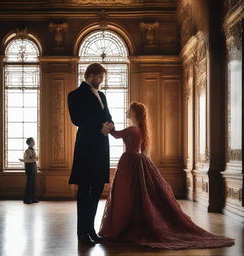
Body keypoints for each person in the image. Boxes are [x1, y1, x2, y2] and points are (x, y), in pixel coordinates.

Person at [99, 102, 235, 249]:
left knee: (129, 193)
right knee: (138, 194)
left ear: (134, 113)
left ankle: (129, 224)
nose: (126, 111)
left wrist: (108, 127)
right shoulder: (140, 129)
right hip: (137, 161)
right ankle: (133, 222)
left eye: (129, 110)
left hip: (130, 162)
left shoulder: (132, 129)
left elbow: (116, 134)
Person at [68, 63, 113, 245]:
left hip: (102, 146)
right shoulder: (74, 95)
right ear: (91, 75)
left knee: (97, 189)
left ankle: (91, 230)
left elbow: (108, 116)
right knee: (84, 191)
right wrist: (99, 125)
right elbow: (76, 119)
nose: (101, 81)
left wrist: (110, 124)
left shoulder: (102, 95)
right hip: (86, 147)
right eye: (100, 77)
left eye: (102, 77)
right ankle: (81, 233)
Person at [19, 137, 39, 204]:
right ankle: (27, 199)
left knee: (33, 183)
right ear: (30, 142)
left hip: (33, 166)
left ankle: (32, 198)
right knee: (29, 183)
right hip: (29, 166)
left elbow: (32, 158)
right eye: (33, 141)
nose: (34, 142)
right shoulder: (27, 151)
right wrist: (35, 159)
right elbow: (26, 160)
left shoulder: (33, 150)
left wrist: (35, 159)